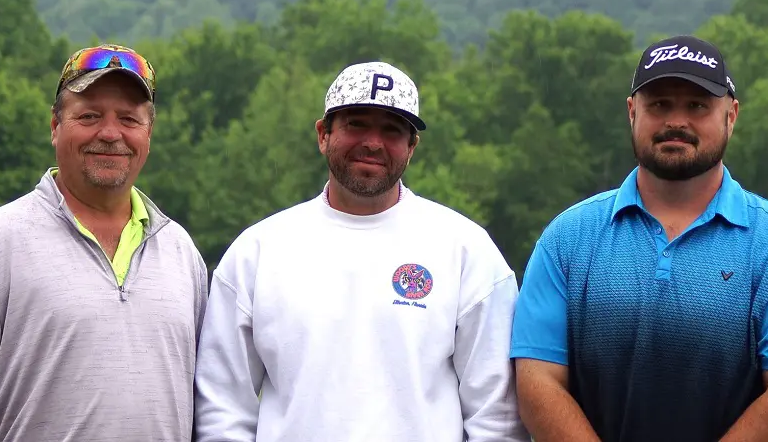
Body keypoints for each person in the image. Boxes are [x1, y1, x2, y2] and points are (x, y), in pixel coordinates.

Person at [510, 35, 768, 441]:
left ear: (731, 115)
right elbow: (537, 381)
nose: (676, 122)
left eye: (697, 106)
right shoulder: (567, 239)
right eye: (659, 105)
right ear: (632, 112)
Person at [192, 61, 529, 441]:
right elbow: (221, 406)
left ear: (412, 146)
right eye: (356, 124)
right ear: (323, 134)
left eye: (392, 130)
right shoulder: (258, 252)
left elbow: (496, 416)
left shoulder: (466, 250)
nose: (373, 142)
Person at [0, 44, 209, 441]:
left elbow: (208, 406)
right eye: (89, 116)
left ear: (148, 134)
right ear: (55, 126)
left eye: (128, 119)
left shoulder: (180, 253)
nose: (109, 133)